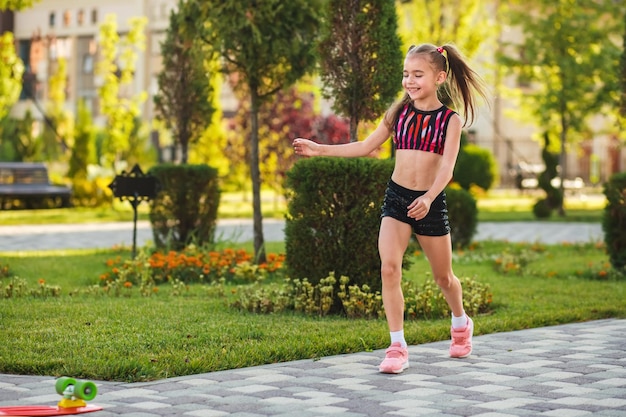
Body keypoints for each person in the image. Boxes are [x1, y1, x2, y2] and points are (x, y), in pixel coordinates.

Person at [292, 43, 488, 374]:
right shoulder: (398, 113)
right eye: (406, 74)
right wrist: (320, 150)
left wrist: (427, 198)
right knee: (389, 269)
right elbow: (366, 146)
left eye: (418, 74)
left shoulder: (449, 121)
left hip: (430, 202)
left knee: (443, 277)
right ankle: (397, 346)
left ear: (439, 77)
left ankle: (460, 321)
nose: (409, 81)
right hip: (397, 198)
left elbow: (447, 169)